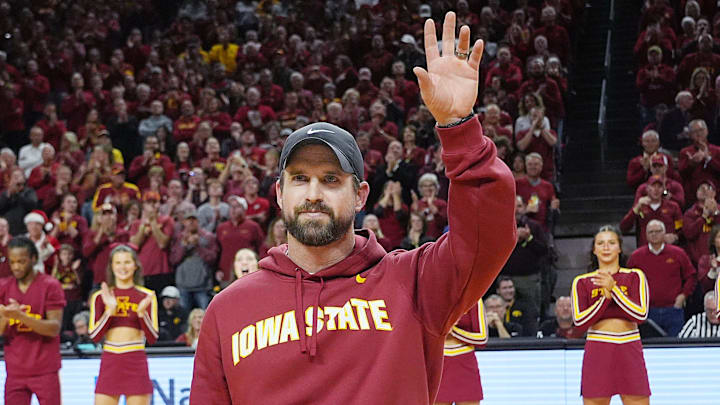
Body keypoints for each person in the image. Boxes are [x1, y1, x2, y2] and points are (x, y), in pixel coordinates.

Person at [190, 12, 516, 404]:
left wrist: (459, 125)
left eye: (330, 179)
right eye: (299, 179)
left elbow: (489, 237)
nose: (313, 193)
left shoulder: (414, 284)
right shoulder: (227, 309)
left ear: (360, 195)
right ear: (278, 194)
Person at [571, 225, 650, 404]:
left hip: (629, 346)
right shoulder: (582, 282)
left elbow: (640, 314)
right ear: (594, 249)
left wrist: (613, 289)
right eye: (601, 243)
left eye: (611, 242)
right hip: (598, 347)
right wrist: (605, 299)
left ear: (620, 248)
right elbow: (580, 321)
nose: (606, 247)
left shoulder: (635, 276)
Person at [89, 244, 158, 405]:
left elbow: (153, 338)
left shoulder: (147, 295)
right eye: (118, 263)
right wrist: (109, 311)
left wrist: (142, 314)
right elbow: (94, 336)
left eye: (127, 262)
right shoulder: (100, 297)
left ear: (135, 265)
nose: (123, 267)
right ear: (111, 266)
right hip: (110, 359)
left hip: (135, 358)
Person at [0, 236, 65, 405]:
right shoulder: (4, 287)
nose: (16, 267)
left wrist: (21, 317)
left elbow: (54, 328)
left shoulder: (50, 285)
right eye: (12, 262)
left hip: (45, 369)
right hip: (15, 370)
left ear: (34, 259)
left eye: (21, 261)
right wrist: (5, 318)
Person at [626, 220, 696, 336]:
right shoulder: (636, 257)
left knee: (676, 347)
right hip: (648, 311)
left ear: (664, 233)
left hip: (673, 310)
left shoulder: (678, 253)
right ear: (646, 234)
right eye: (651, 232)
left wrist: (683, 296)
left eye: (658, 231)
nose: (654, 234)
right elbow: (628, 282)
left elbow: (691, 276)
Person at [435, 300, 488, 405]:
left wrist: (453, 330)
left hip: (464, 362)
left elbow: (482, 338)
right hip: (439, 362)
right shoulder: (432, 297)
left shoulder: (475, 298)